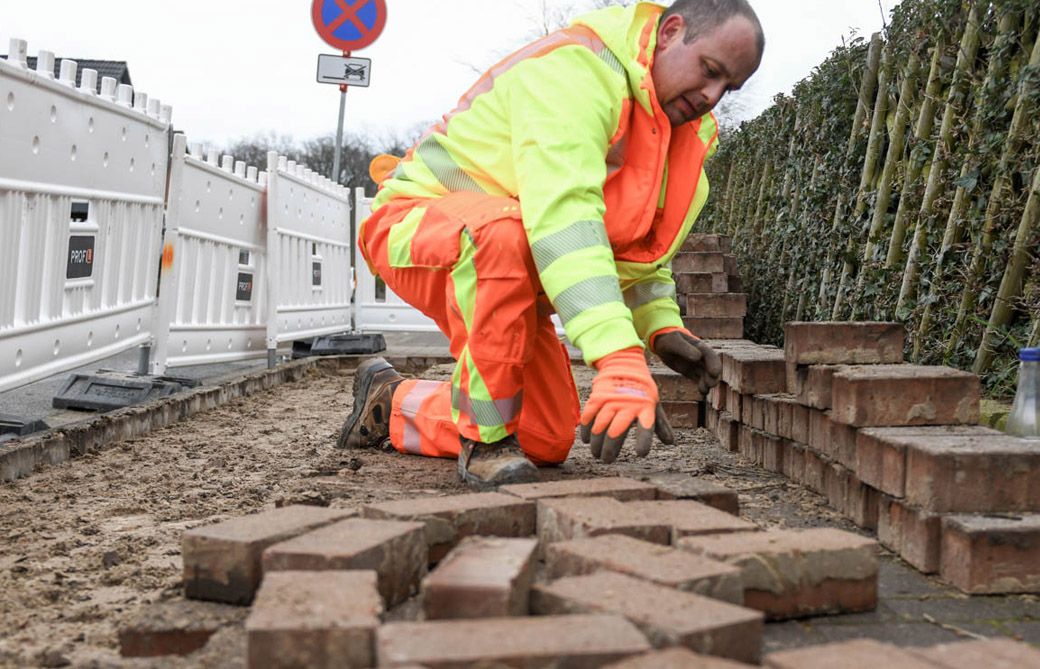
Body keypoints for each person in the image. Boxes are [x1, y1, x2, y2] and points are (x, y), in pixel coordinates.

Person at [339, 0, 764, 490]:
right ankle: (484, 444)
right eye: (710, 70)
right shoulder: (576, 72)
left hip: (503, 262)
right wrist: (620, 360)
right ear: (670, 32)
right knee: (504, 235)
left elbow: (637, 259)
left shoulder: (678, 139)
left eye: (728, 87)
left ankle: (390, 403)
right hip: (415, 225)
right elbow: (565, 219)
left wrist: (660, 329)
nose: (712, 95)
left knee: (545, 437)